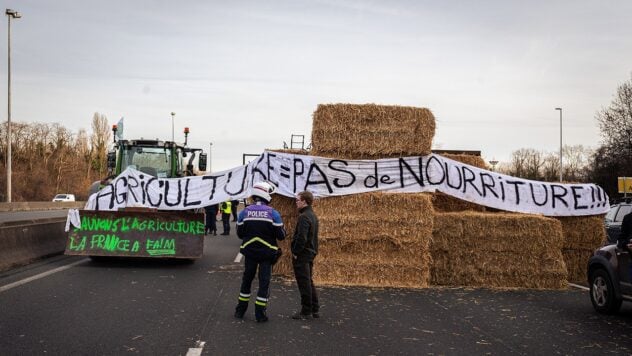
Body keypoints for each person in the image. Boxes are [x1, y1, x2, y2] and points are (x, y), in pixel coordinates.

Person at [234, 182, 285, 322]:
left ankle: (240, 311)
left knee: (247, 281)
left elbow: (239, 233)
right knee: (264, 283)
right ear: (266, 194)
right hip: (266, 254)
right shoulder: (273, 213)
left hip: (250, 253)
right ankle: (260, 314)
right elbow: (281, 235)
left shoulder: (244, 212)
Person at [291, 190, 320, 320]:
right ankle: (315, 308)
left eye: (297, 200)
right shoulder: (312, 215)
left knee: (304, 282)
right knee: (309, 281)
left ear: (304, 201)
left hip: (303, 254)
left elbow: (302, 237)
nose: (296, 202)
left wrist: (296, 252)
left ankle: (306, 311)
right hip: (310, 252)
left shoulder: (304, 217)